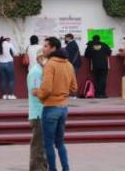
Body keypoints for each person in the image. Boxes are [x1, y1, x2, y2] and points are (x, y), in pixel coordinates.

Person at [33, 37, 78, 171]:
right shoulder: (68, 64)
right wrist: (62, 90)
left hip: (51, 107)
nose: (43, 48)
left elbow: (46, 89)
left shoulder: (50, 64)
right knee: (60, 142)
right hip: (63, 107)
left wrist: (37, 93)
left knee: (48, 143)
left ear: (54, 48)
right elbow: (74, 87)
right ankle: (66, 168)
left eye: (46, 46)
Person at [27, 49, 48, 171]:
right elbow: (35, 91)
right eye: (43, 57)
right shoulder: (35, 72)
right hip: (38, 114)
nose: (45, 60)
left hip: (43, 113)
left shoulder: (43, 71)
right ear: (38, 58)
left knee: (43, 146)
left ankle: (43, 168)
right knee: (38, 147)